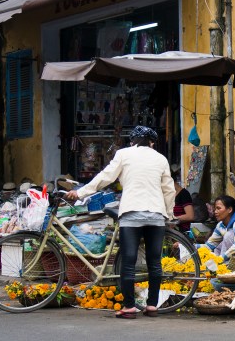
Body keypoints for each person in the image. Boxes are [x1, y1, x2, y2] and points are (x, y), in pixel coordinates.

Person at [66, 125, 174, 319]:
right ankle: (152, 306)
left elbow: (105, 177)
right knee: (154, 262)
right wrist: (168, 213)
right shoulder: (161, 158)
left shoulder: (124, 154)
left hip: (131, 212)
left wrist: (80, 193)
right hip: (156, 213)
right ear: (151, 142)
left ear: (132, 141)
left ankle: (129, 307)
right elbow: (168, 189)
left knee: (128, 261)